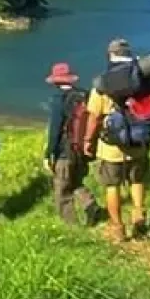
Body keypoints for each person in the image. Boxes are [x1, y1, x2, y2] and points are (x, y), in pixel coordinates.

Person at [84, 39, 149, 241]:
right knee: (136, 180)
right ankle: (138, 215)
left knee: (112, 186)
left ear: (110, 55)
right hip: (138, 142)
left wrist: (88, 140)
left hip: (111, 146)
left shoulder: (102, 83)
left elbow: (94, 117)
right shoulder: (142, 80)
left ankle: (118, 228)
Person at [42, 62, 99, 225]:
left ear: (56, 82)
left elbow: (55, 130)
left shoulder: (58, 100)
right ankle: (90, 204)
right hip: (81, 149)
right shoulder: (84, 95)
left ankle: (72, 227)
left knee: (62, 191)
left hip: (64, 152)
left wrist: (49, 154)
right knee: (75, 182)